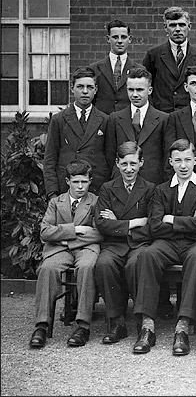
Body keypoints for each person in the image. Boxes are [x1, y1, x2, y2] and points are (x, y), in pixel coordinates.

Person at [132, 139, 196, 356]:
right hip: (166, 243)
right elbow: (156, 227)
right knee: (148, 254)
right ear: (171, 162)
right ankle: (147, 325)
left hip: (194, 244)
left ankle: (183, 326)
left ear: (195, 160)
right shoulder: (161, 190)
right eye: (178, 160)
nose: (183, 165)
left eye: (188, 160)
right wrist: (189, 221)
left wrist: (172, 219)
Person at [29, 160, 103, 349]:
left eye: (84, 182)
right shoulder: (56, 202)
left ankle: (83, 325)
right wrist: (76, 229)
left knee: (87, 267)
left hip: (86, 248)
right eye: (76, 182)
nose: (80, 187)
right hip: (59, 250)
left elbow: (99, 232)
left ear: (90, 181)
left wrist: (63, 237)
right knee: (47, 268)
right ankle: (41, 325)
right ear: (67, 181)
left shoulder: (95, 201)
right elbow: (45, 232)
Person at [94, 141, 155, 344]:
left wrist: (118, 222)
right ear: (117, 164)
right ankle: (116, 321)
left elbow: (151, 225)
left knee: (136, 264)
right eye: (124, 164)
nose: (129, 169)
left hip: (138, 243)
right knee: (104, 264)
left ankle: (142, 321)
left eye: (133, 164)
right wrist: (133, 222)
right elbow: (102, 223)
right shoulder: (108, 188)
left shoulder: (149, 189)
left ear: (141, 163)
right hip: (113, 245)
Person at [43, 67, 110, 199]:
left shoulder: (105, 120)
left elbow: (110, 159)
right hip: (66, 188)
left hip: (96, 188)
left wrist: (107, 192)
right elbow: (50, 160)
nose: (85, 91)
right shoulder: (59, 120)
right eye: (80, 86)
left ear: (95, 90)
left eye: (89, 87)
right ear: (72, 89)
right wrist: (52, 193)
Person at [105, 67, 169, 185]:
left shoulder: (163, 119)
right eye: (131, 90)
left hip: (153, 181)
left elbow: (166, 156)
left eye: (139, 90)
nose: (135, 94)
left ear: (149, 90)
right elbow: (110, 153)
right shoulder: (115, 118)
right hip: (122, 181)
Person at [142, 6, 196, 113]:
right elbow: (145, 85)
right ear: (165, 27)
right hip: (162, 114)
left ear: (189, 27)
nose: (177, 29)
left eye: (182, 25)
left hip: (189, 114)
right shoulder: (154, 55)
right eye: (173, 25)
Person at [89, 19, 144, 114]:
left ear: (129, 39)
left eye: (123, 37)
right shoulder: (94, 68)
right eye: (115, 37)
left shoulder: (139, 69)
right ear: (108, 39)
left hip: (128, 123)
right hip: (102, 123)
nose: (119, 41)